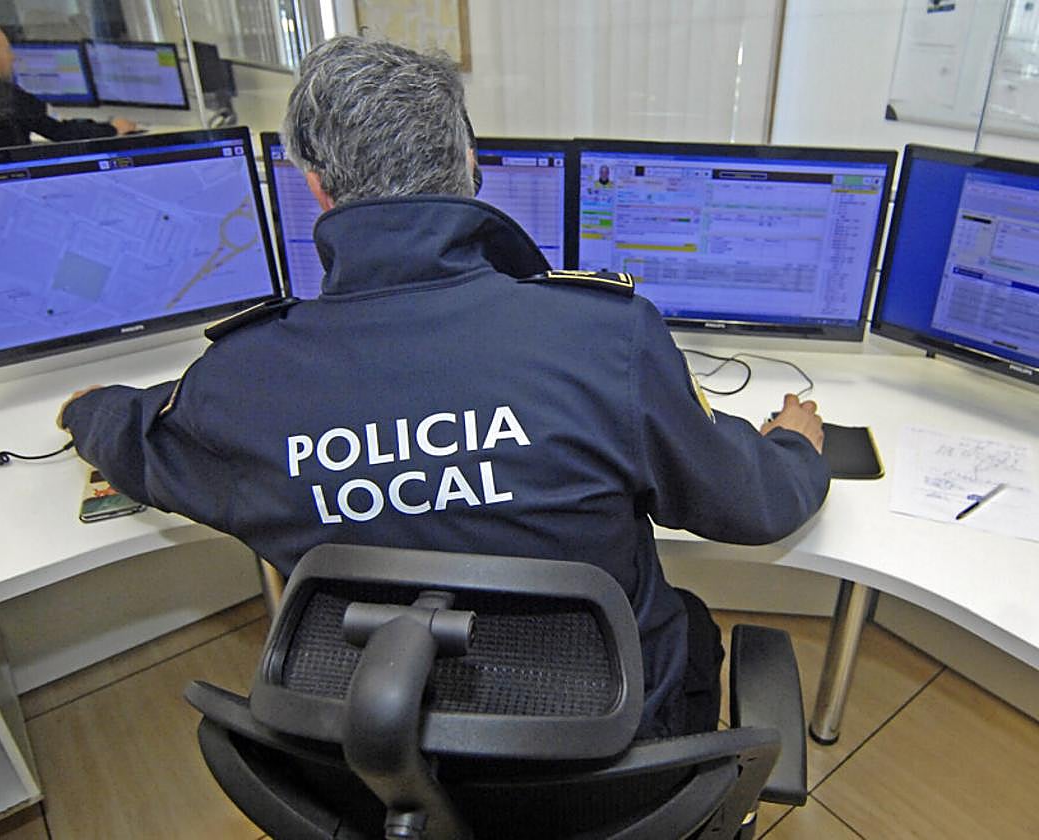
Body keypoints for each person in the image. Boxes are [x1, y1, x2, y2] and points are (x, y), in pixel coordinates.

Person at [57, 35, 829, 739]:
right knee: (688, 621)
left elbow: (135, 440)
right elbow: (751, 505)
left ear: (317, 188)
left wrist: (82, 411)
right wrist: (794, 445)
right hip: (601, 755)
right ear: (467, 162)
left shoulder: (240, 382)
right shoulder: (605, 340)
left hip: (375, 748)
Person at [0, 21, 135, 148]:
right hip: (11, 181)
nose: (12, 57)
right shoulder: (12, 98)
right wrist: (112, 128)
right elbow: (63, 133)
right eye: (7, 50)